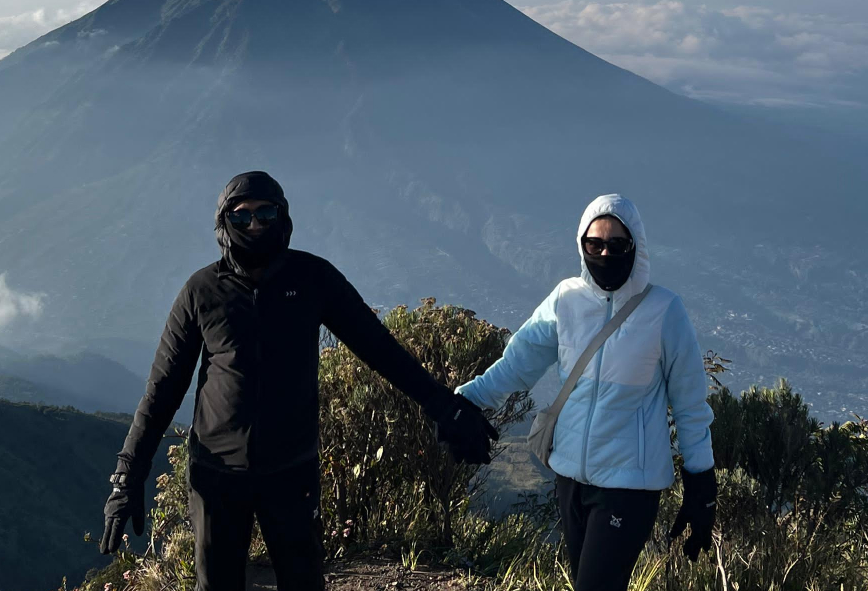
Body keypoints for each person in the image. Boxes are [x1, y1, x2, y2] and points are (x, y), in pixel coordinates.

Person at [100, 170, 498, 591]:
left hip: (291, 471)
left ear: (282, 218)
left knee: (304, 583)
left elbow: (379, 348)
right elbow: (162, 389)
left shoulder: (313, 278)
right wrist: (129, 474)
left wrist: (442, 404)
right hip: (217, 474)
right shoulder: (201, 291)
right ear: (224, 224)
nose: (254, 225)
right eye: (241, 217)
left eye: (265, 213)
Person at [453, 194, 717, 591]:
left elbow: (690, 405)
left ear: (636, 247)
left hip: (629, 487)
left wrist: (702, 483)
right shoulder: (566, 299)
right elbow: (517, 363)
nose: (605, 253)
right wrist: (462, 402)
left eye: (617, 245)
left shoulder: (665, 311)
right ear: (582, 245)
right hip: (570, 479)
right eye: (595, 245)